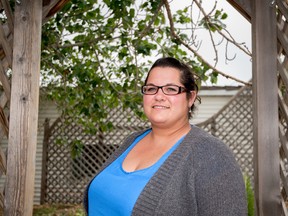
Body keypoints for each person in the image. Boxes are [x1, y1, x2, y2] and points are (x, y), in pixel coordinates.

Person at [83, 57, 247, 215]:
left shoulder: (211, 154)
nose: (159, 96)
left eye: (170, 89)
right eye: (151, 88)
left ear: (190, 97)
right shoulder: (132, 140)